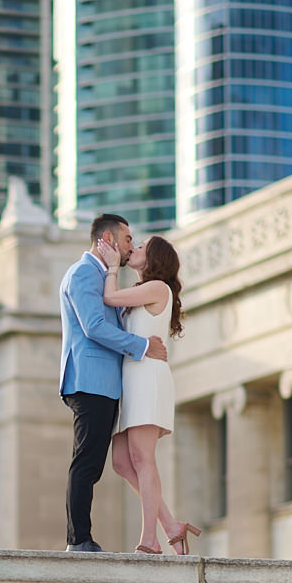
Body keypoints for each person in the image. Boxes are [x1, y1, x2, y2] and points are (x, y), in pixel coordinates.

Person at [59, 213, 168, 552]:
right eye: (125, 240)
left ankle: (84, 538)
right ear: (107, 240)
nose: (128, 246)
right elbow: (93, 326)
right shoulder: (82, 273)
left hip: (106, 383)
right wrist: (142, 346)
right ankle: (79, 540)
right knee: (87, 462)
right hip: (90, 381)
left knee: (95, 463)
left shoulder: (102, 276)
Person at [98, 233, 200, 555]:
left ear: (154, 258)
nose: (135, 248)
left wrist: (113, 267)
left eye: (141, 246)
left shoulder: (157, 288)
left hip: (147, 378)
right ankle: (171, 525)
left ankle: (150, 539)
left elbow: (110, 298)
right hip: (131, 378)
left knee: (142, 458)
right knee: (121, 463)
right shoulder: (144, 291)